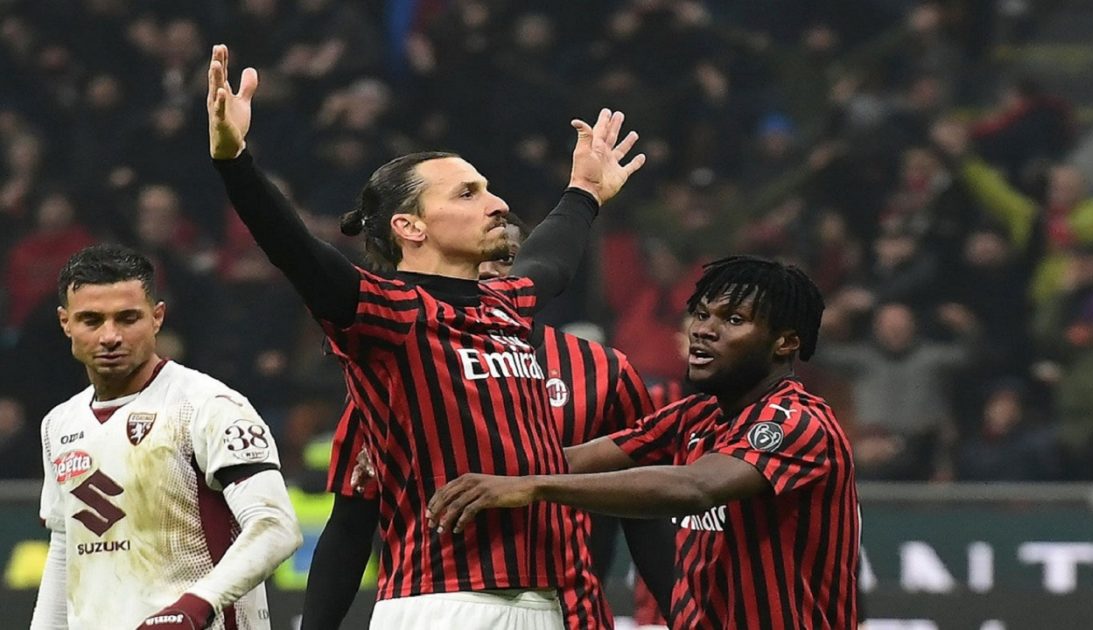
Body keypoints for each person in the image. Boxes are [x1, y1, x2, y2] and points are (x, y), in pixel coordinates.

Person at [206, 42, 645, 630]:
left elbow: (552, 261)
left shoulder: (505, 304)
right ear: (409, 226)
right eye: (468, 193)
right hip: (444, 601)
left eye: (487, 188)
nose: (498, 204)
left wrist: (583, 192)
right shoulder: (388, 314)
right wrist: (235, 163)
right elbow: (296, 251)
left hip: (544, 603)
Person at [428, 255, 861, 629]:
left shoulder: (796, 422)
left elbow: (695, 488)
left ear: (786, 342)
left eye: (733, 320)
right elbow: (558, 460)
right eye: (702, 315)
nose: (704, 330)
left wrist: (534, 486)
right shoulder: (695, 416)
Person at [302, 216, 674, 629]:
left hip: (571, 613)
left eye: (504, 258)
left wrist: (687, 619)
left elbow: (648, 515)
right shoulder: (400, 366)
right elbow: (350, 525)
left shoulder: (602, 371)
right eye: (472, 259)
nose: (487, 271)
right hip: (440, 606)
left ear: (533, 275)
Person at [29, 244, 302, 630]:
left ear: (157, 317)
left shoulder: (210, 405)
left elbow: (275, 525)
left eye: (128, 318)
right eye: (91, 320)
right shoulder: (59, 424)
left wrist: (194, 606)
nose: (110, 336)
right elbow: (65, 549)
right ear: (65, 322)